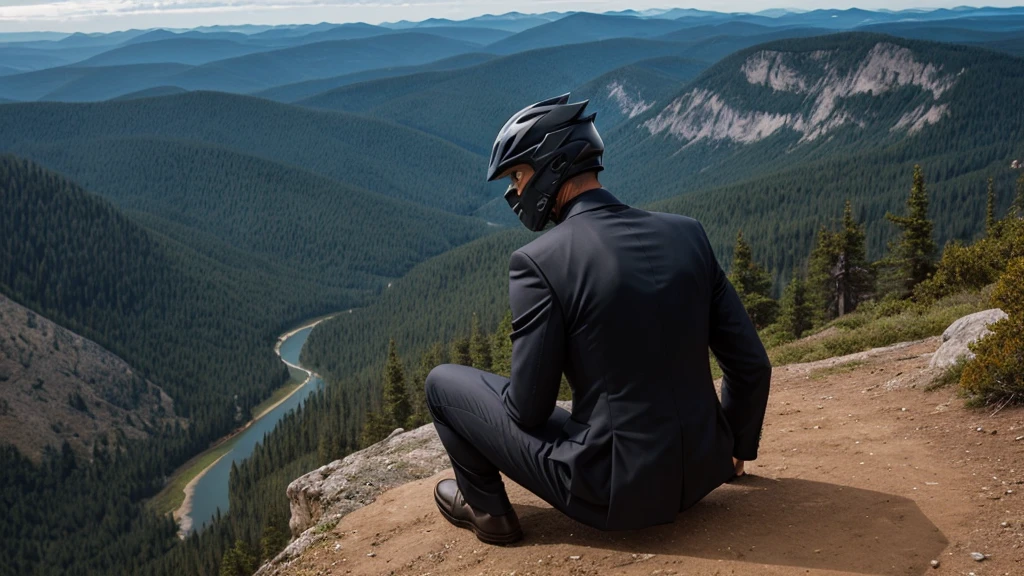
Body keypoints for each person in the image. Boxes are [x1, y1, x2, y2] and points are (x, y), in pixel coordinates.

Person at [425, 93, 771, 544]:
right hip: (705, 472)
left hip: (612, 493)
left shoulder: (538, 261)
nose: (514, 191)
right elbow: (751, 364)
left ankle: (488, 511)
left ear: (552, 167)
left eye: (517, 175)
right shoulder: (687, 234)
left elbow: (528, 410)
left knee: (441, 383)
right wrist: (734, 450)